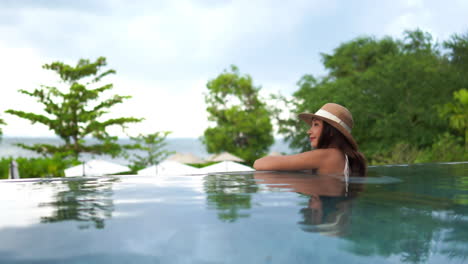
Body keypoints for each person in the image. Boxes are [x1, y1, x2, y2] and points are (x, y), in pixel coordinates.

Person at [254, 103, 367, 177]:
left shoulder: (328, 155)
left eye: (316, 125)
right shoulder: (344, 156)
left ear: (331, 131)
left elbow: (259, 164)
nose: (309, 131)